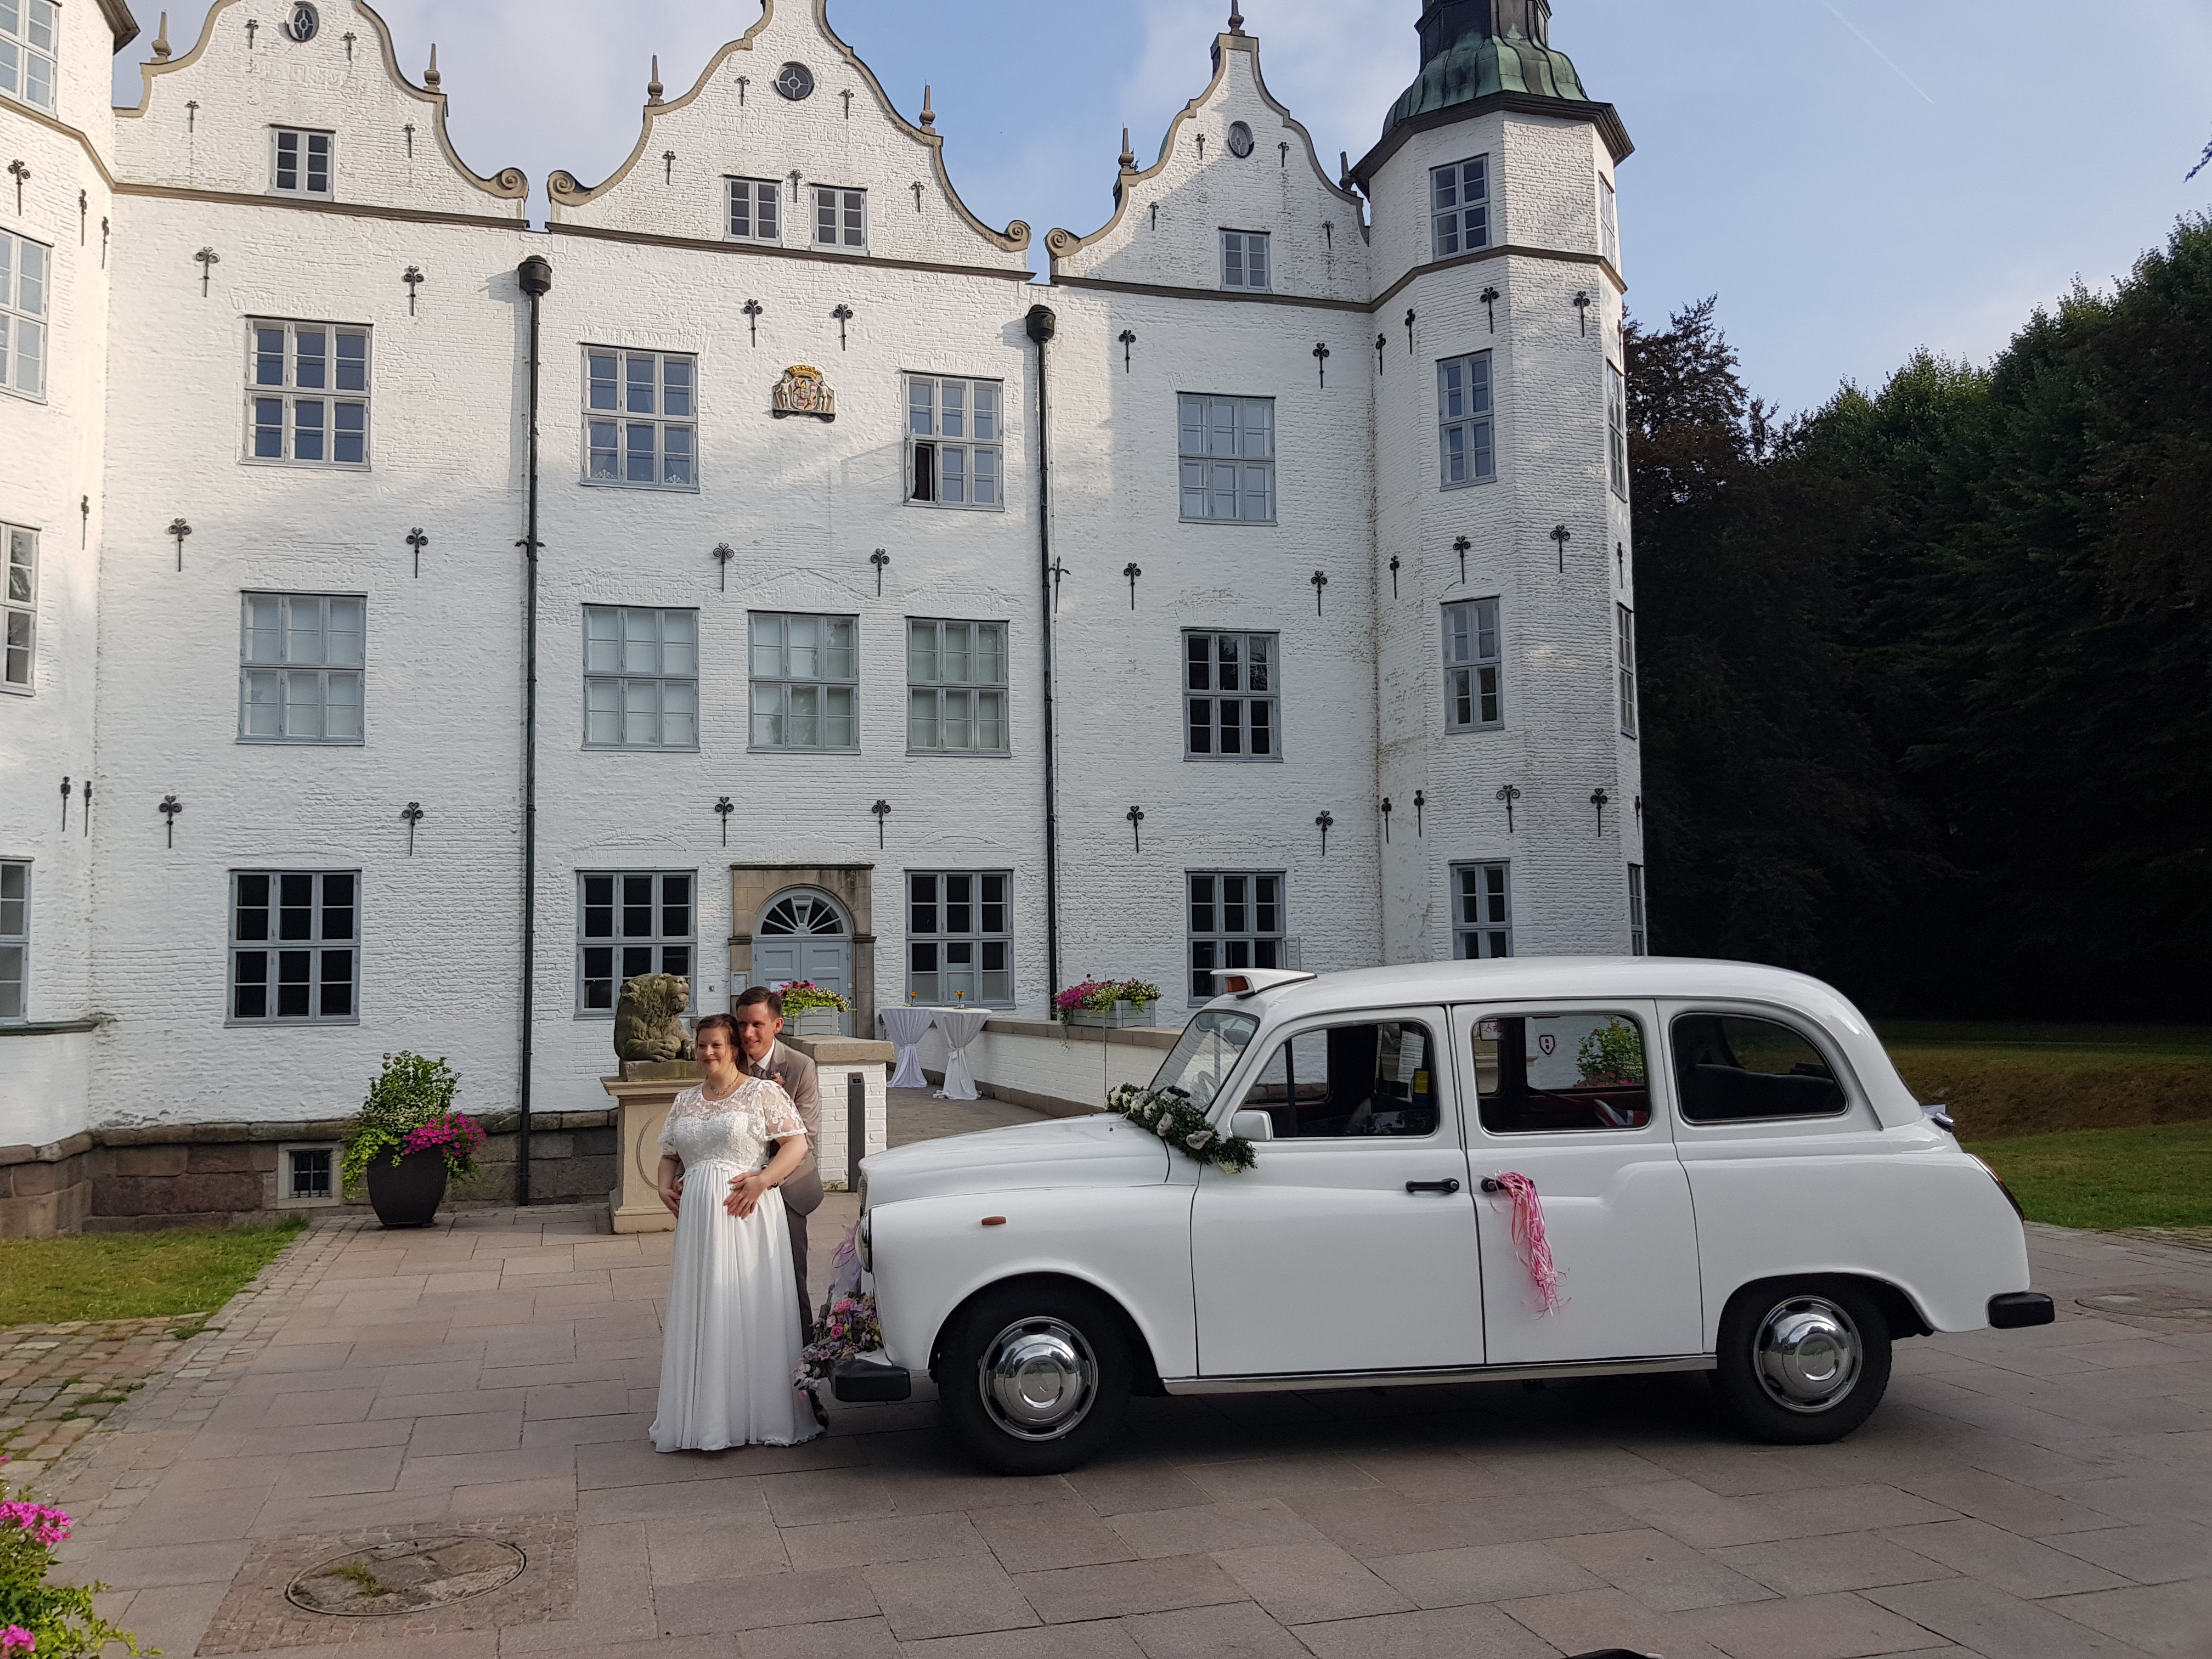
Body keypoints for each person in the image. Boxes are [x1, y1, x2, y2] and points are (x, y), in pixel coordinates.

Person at [649, 1012, 820, 1452]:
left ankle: (755, 1413)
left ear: (734, 1050)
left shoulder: (762, 1092)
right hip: (698, 1223)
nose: (707, 1053)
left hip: (748, 1213)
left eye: (716, 1046)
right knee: (705, 1306)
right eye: (702, 1045)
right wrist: (665, 1186)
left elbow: (797, 1143)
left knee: (746, 1305)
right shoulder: (685, 1100)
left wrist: (764, 1180)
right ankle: (705, 1417)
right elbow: (671, 1153)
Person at [726, 988, 823, 1341]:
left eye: (757, 1024)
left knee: (791, 1278)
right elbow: (706, 1123)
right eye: (741, 1024)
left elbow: (806, 1136)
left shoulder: (800, 1067)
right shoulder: (728, 1063)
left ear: (777, 1025)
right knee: (739, 1277)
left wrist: (763, 1176)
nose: (748, 1034)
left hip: (787, 1188)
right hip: (737, 1187)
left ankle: (805, 1364)